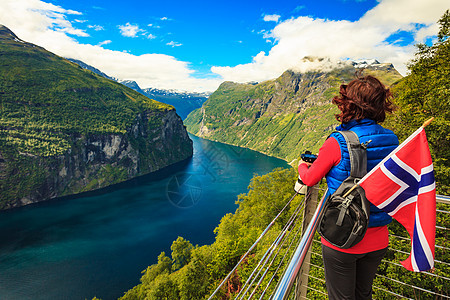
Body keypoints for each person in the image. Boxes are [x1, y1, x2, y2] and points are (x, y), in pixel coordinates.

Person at [297, 75, 399, 300]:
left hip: (343, 235)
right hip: (379, 236)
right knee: (363, 295)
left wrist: (301, 166)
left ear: (348, 104)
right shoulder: (392, 140)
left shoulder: (338, 141)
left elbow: (311, 178)